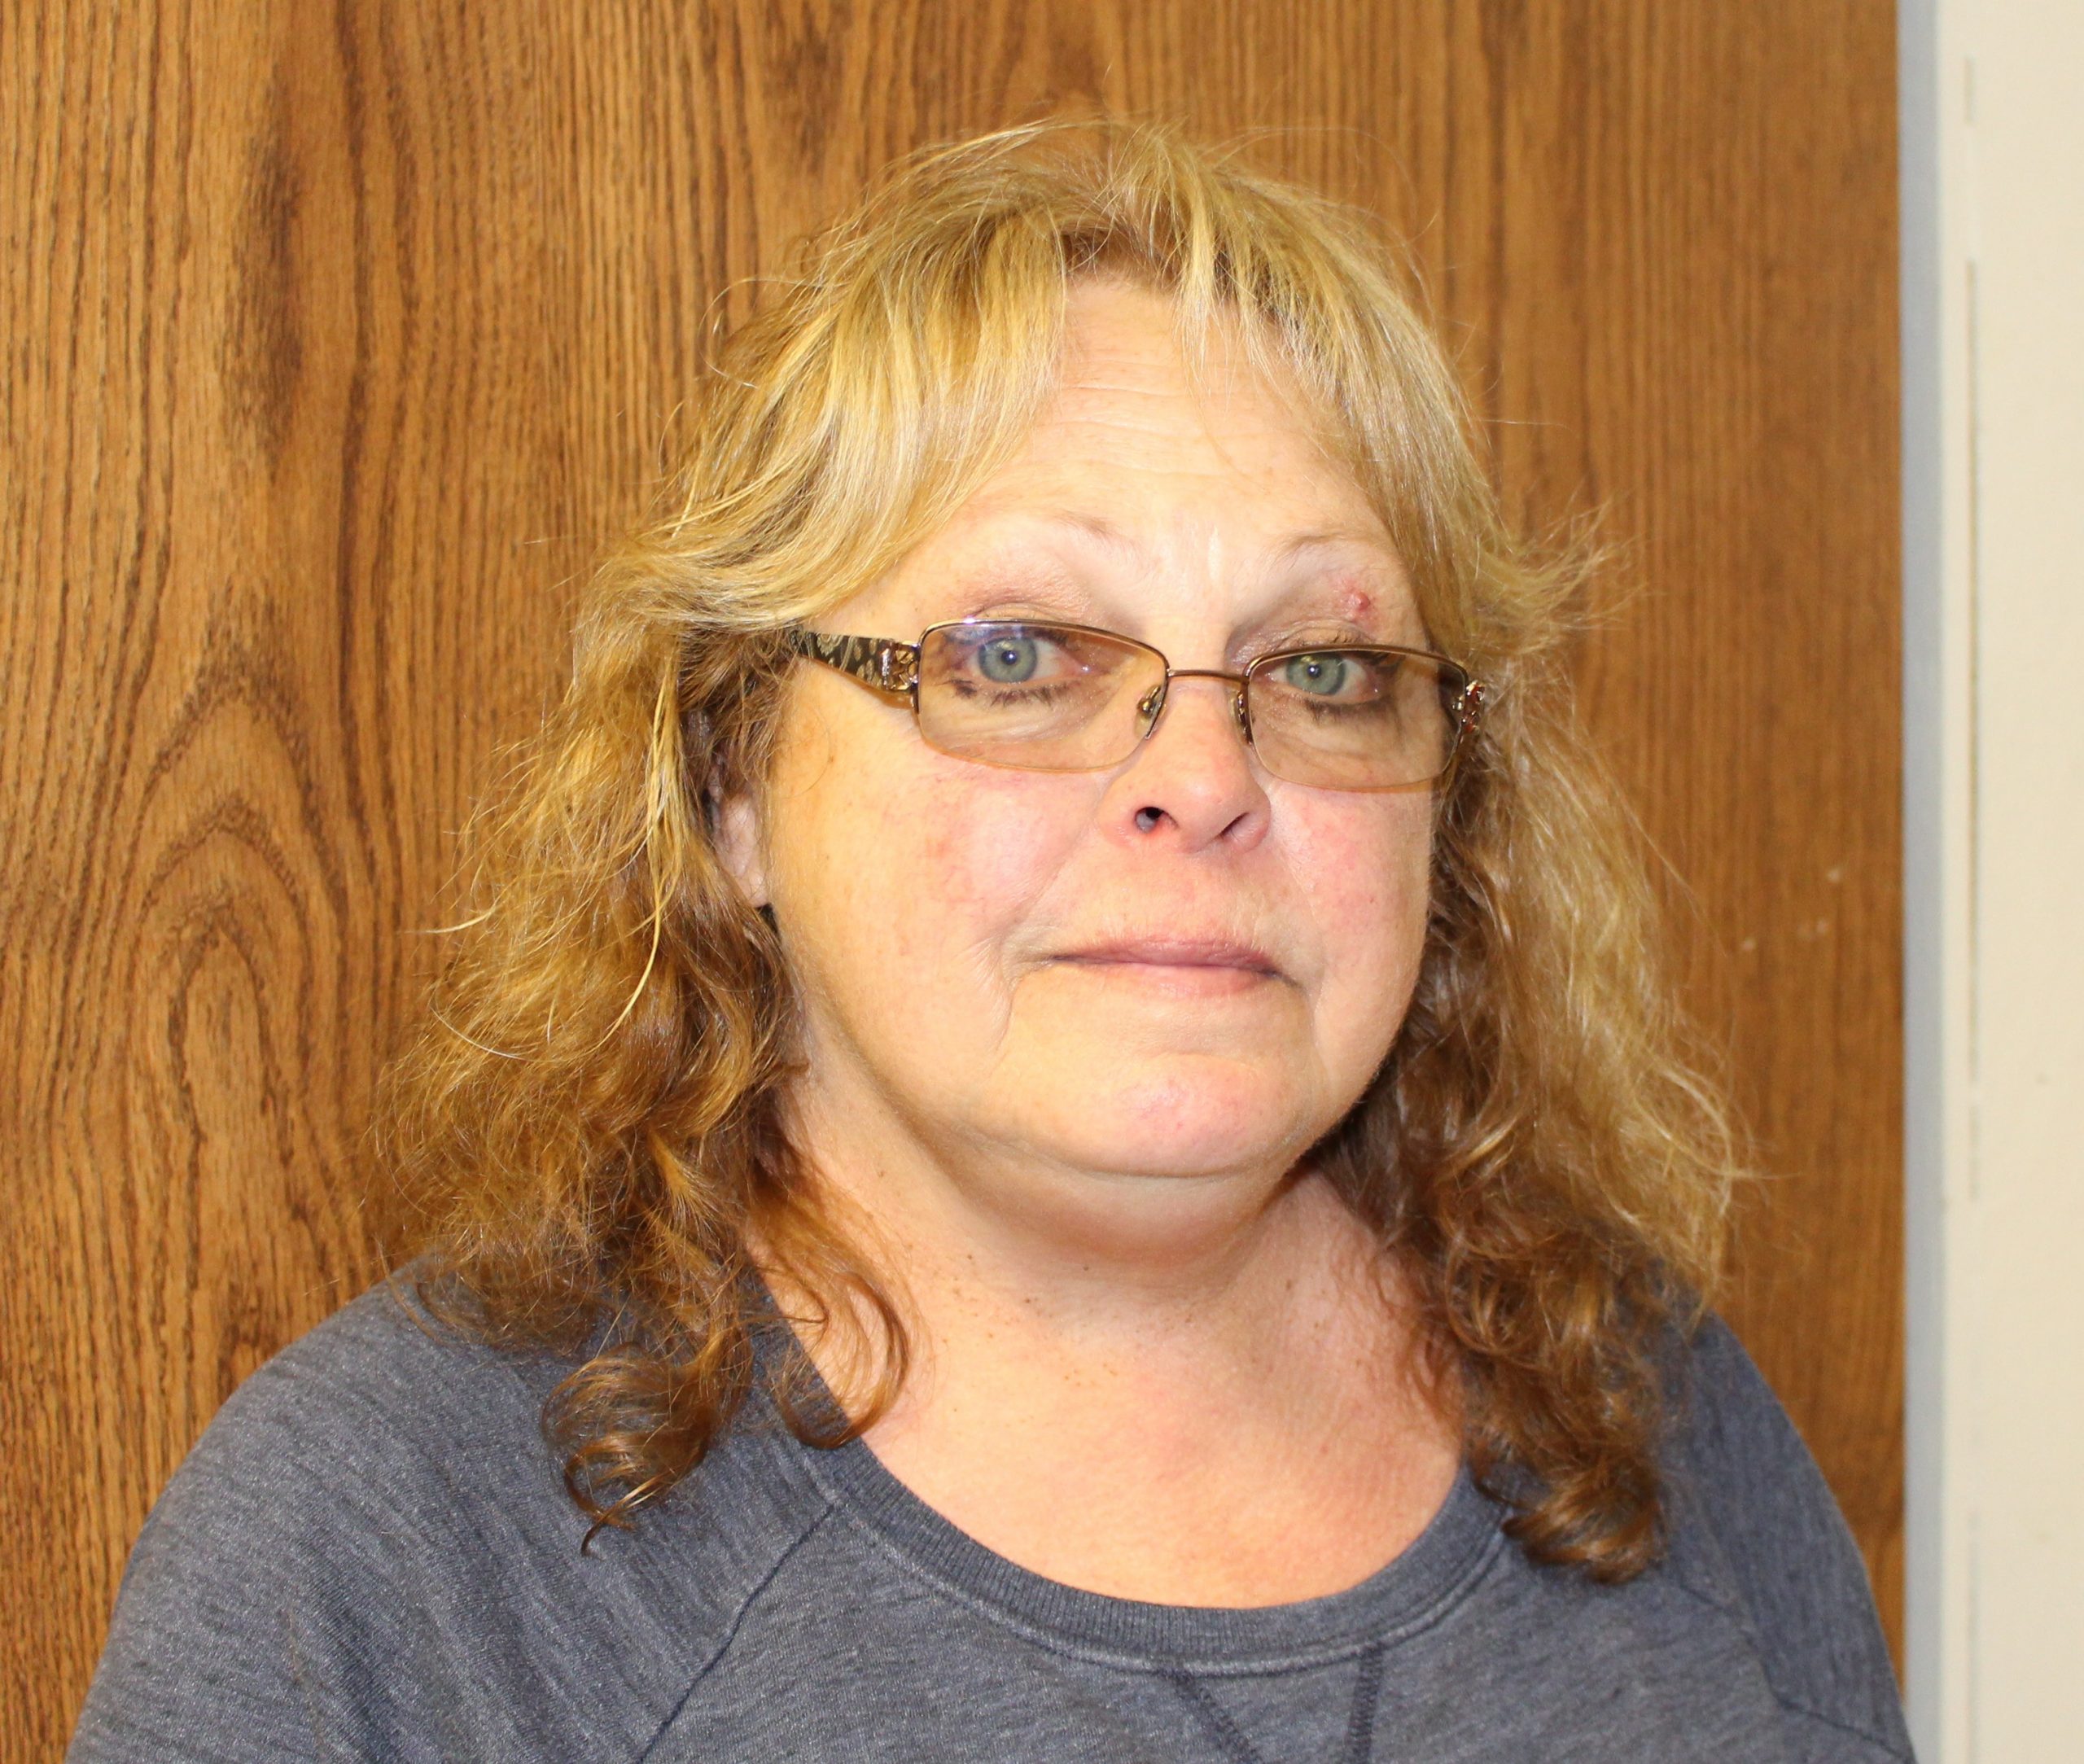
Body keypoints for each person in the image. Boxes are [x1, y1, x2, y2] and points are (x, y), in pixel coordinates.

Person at [69, 119, 1912, 1762]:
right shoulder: (386, 1574)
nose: (1205, 779)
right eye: (1017, 655)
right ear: (733, 782)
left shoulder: (1649, 1415)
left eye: (1325, 670)